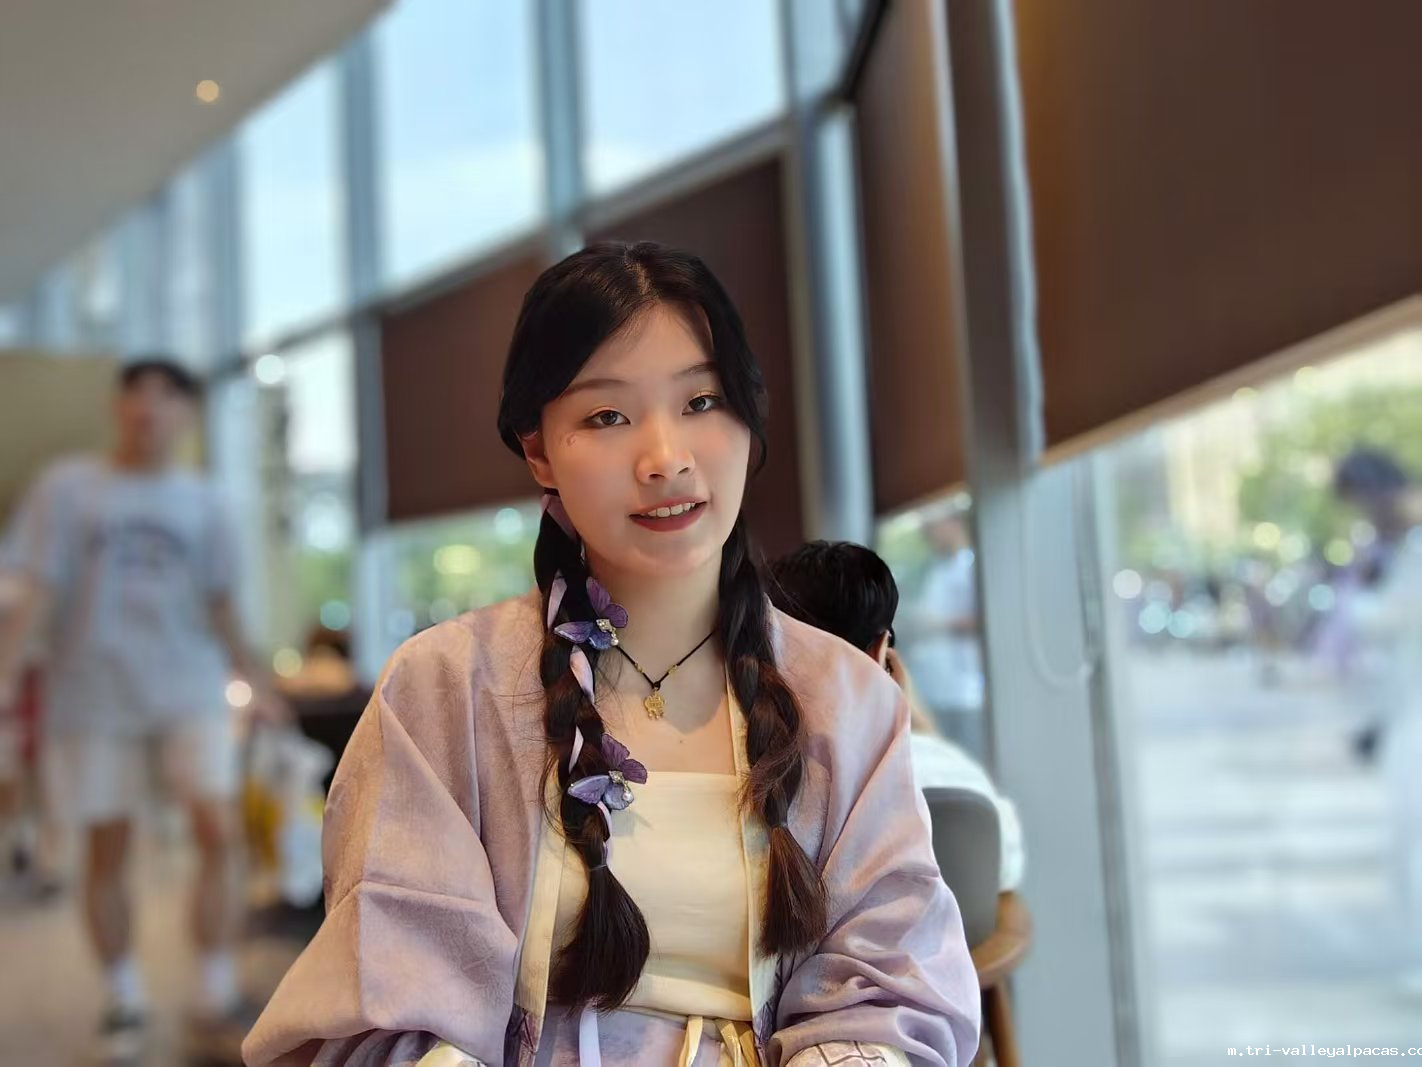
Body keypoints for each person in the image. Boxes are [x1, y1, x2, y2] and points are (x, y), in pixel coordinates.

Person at [242, 243, 979, 1067]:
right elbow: (391, 986)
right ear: (539, 452)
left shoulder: (845, 697)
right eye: (606, 417)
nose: (665, 458)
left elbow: (889, 983)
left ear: (749, 418)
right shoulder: (446, 688)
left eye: (701, 400)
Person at [0, 358, 286, 1060]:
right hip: (91, 694)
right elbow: (33, 588)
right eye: (136, 394)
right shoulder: (68, 487)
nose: (148, 408)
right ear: (117, 406)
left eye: (165, 396)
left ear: (186, 414)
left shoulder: (206, 501)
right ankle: (123, 996)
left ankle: (213, 992)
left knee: (219, 831)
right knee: (108, 844)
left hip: (188, 688)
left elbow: (222, 603)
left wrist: (256, 678)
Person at [767, 540, 1024, 893]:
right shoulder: (953, 774)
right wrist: (918, 727)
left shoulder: (768, 788)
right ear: (882, 652)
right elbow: (1005, 879)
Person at [1331, 448, 1422, 995]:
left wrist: (1362, 594)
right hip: (1406, 712)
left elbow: (1386, 619)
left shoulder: (1413, 548)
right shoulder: (1403, 548)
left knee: (1413, 843)